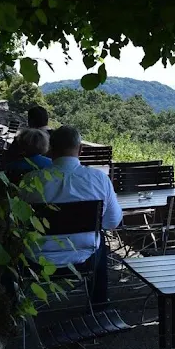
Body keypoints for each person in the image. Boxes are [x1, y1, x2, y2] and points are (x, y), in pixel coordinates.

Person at [22, 126, 122, 306]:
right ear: (81, 149)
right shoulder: (99, 179)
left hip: (36, 260)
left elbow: (18, 223)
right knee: (100, 243)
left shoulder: (30, 180)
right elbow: (112, 222)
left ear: (50, 149)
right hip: (84, 259)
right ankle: (99, 304)